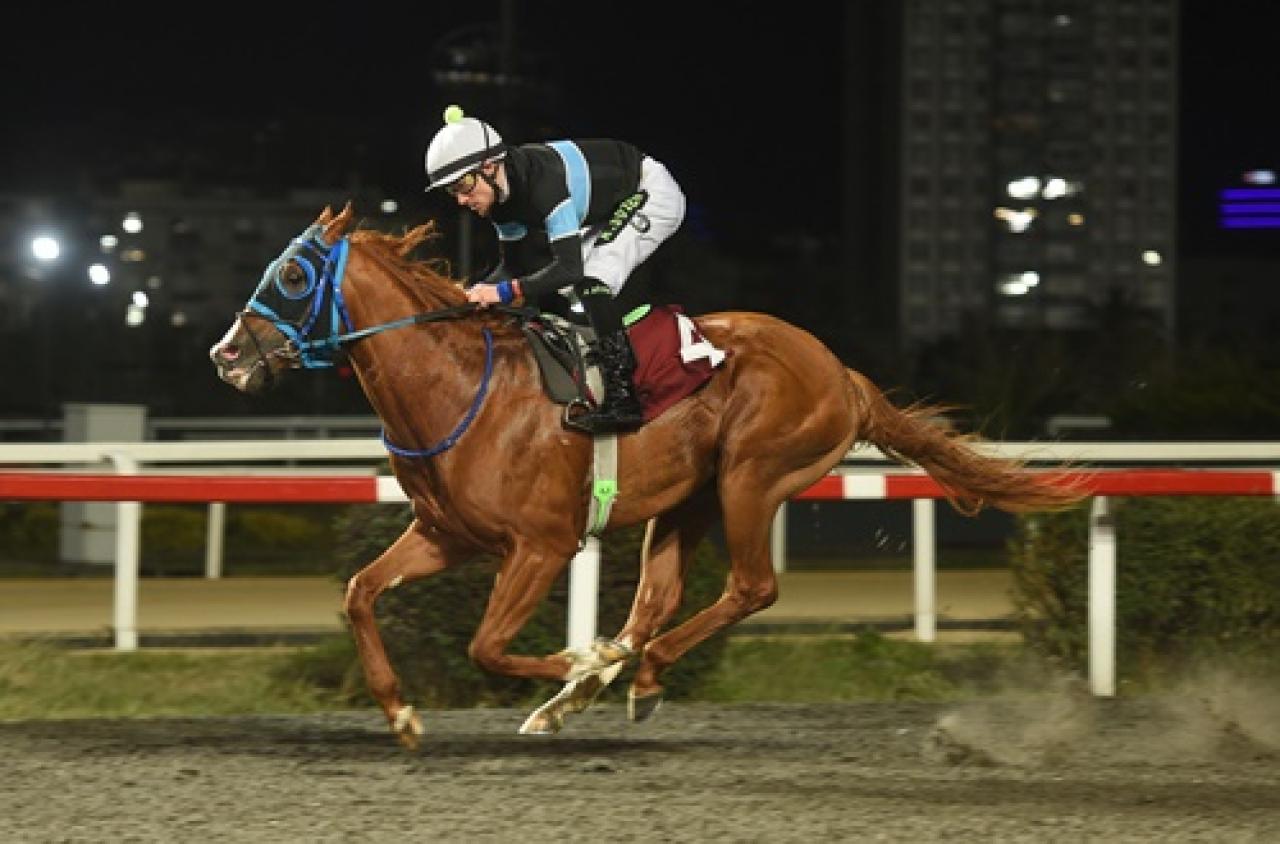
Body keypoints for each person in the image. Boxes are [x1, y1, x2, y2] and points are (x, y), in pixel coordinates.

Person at [423, 105, 686, 434]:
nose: (461, 199)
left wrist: (504, 291)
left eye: (463, 184)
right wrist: (467, 296)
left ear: (489, 166)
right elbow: (513, 268)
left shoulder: (543, 183)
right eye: (452, 190)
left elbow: (569, 269)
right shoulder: (500, 204)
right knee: (558, 287)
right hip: (603, 208)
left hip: (648, 191)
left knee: (589, 280)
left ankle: (623, 397)